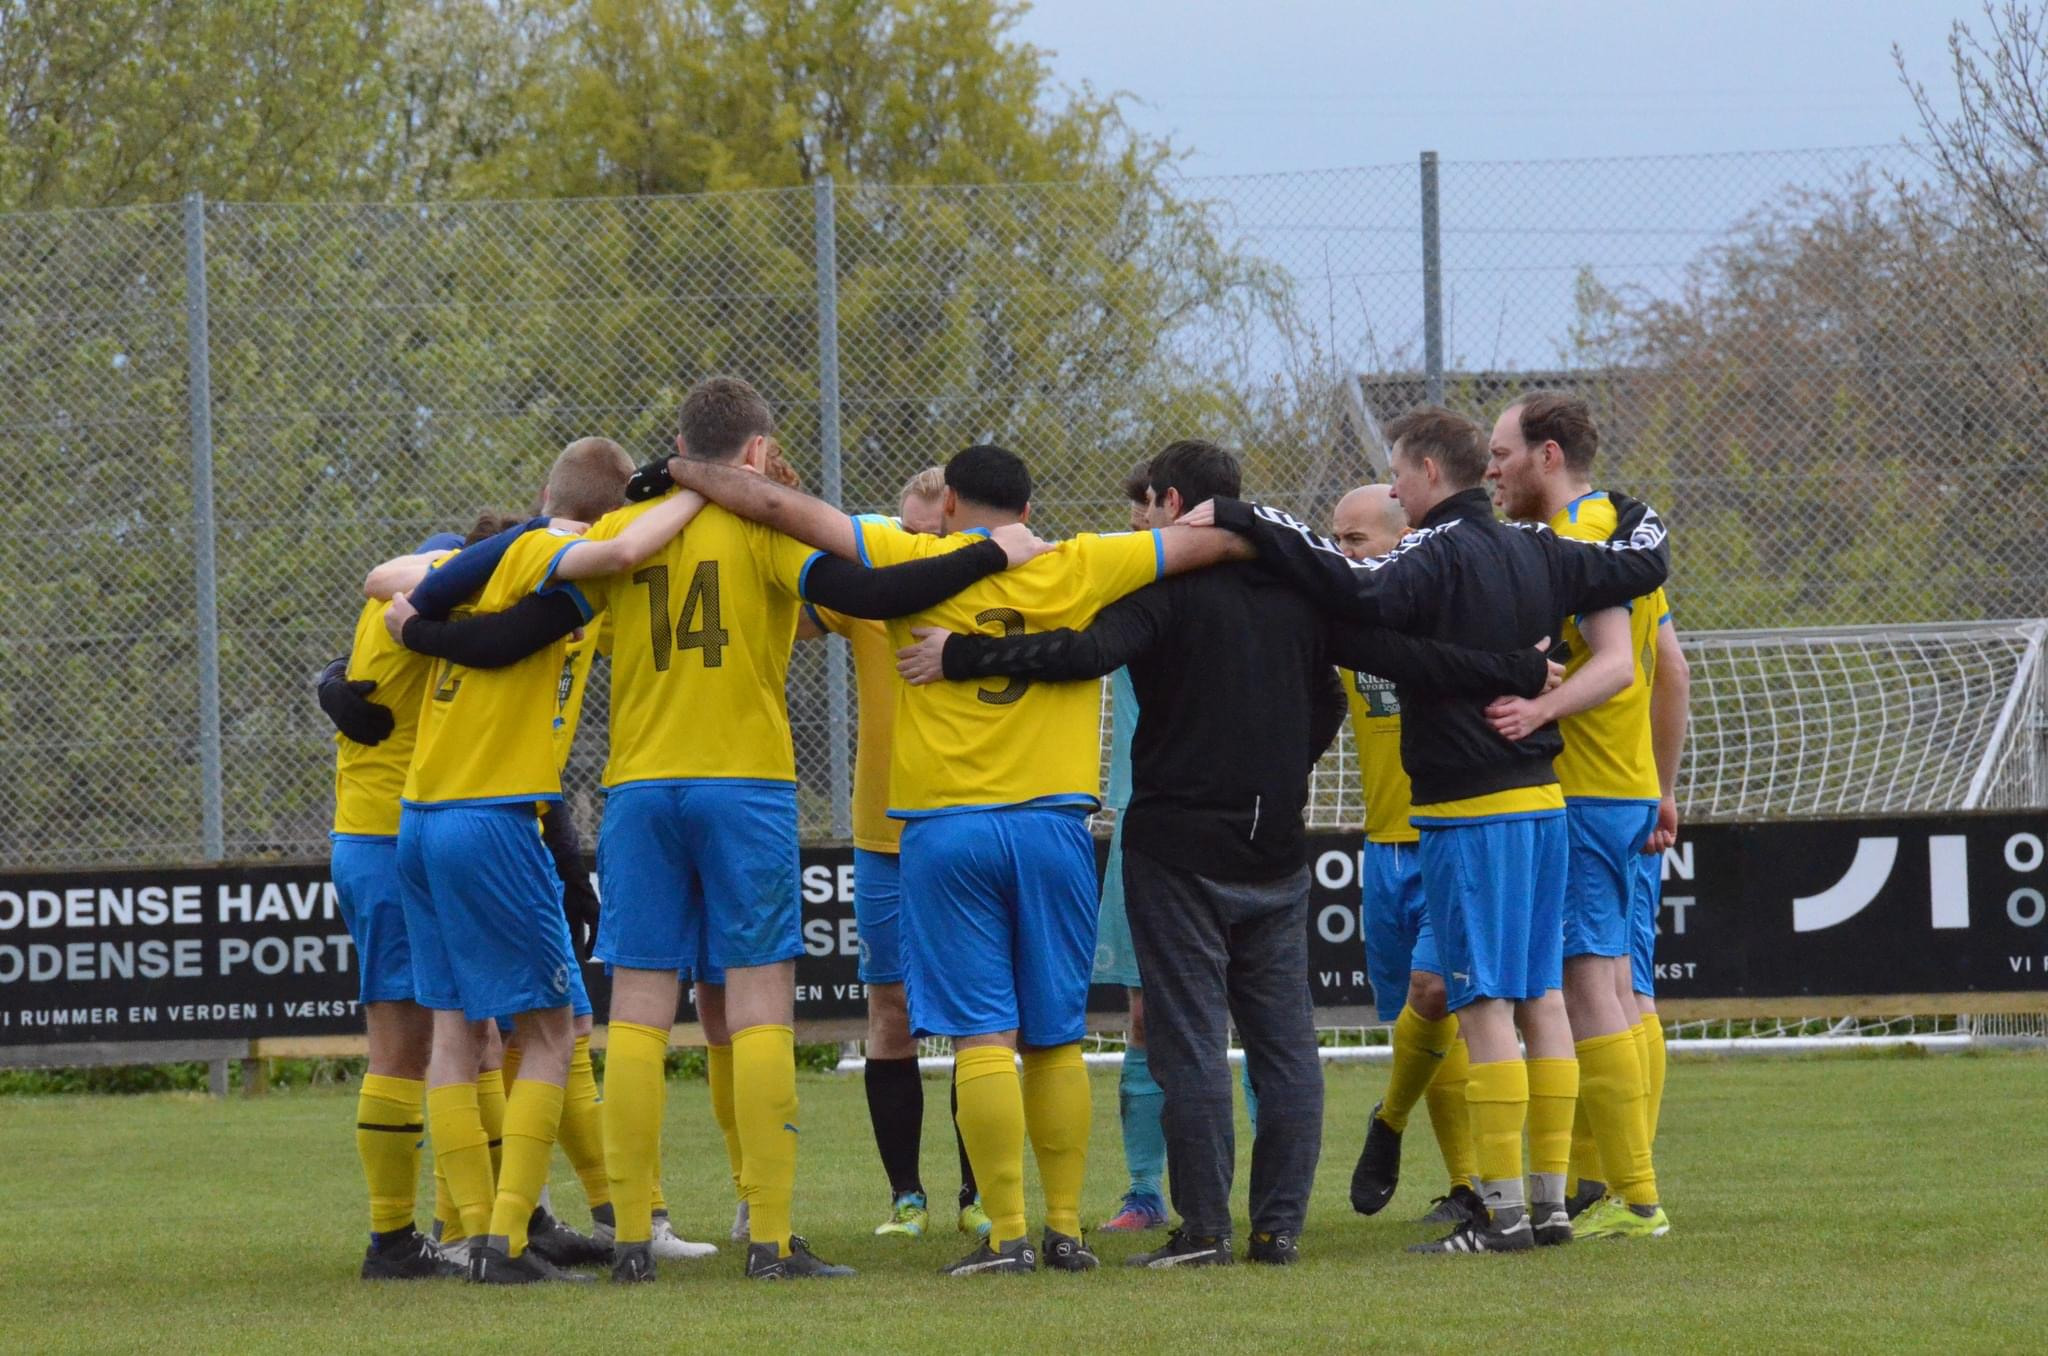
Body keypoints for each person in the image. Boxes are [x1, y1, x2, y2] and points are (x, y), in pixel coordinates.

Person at [899, 441, 1555, 1268]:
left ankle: (1205, 1229)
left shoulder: (1164, 589)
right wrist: (1512, 671)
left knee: (1190, 1043)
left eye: (1150, 506)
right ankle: (1279, 1228)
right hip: (1276, 845)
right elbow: (1384, 668)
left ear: (1173, 503)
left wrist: (963, 654)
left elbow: (1084, 655)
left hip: (1177, 846)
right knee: (1285, 1043)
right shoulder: (1301, 592)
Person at [666, 442, 1250, 1276]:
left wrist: (686, 469)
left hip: (945, 830)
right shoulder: (1081, 564)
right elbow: (1213, 538)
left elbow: (780, 511)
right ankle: (1065, 1231)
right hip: (1053, 825)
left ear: (950, 506)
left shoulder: (913, 557)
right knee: (1054, 1039)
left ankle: (1005, 1234)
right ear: (1027, 504)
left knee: (981, 1037)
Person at [544, 380, 1050, 1283]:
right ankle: (770, 1239)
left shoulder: (625, 532)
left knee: (637, 1011)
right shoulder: (763, 530)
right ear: (755, 455)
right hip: (742, 784)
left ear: (679, 442)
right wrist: (984, 554)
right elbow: (871, 586)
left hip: (639, 786)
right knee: (759, 1001)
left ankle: (629, 1238)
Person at [1188, 406, 1671, 1255]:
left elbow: (1349, 595)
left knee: (1482, 1004)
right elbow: (1638, 568)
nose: (1396, 491)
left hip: (1462, 811)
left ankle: (1503, 1213)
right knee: (1544, 998)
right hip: (1542, 806)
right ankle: (1555, 1205)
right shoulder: (1541, 551)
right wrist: (1636, 518)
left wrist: (1251, 519)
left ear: (1426, 475)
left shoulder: (1431, 551)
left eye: (1399, 475)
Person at [393, 435, 686, 1284]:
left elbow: (408, 603)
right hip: (490, 819)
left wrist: (415, 624)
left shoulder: (502, 552)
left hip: (420, 816)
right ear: (612, 510)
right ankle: (507, 1241)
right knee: (554, 1029)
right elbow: (617, 555)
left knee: (457, 1029)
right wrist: (701, 490)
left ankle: (481, 1229)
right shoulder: (572, 562)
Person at [1484, 390, 1677, 1241]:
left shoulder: (1579, 540)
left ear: (1548, 455)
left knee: (1585, 987)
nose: (1491, 469)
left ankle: (1637, 1198)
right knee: (1630, 991)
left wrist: (1537, 709)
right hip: (1629, 790)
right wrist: (1664, 787)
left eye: (1501, 453)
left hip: (1588, 792)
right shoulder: (1618, 526)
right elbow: (1669, 666)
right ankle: (1612, 1184)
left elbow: (1621, 672)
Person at [793, 464, 989, 1241]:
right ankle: (906, 1197)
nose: (916, 548)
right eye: (902, 536)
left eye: (929, 535)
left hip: (967, 827)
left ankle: (980, 1193)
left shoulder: (988, 595)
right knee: (891, 1012)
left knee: (980, 1018)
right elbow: (788, 606)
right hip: (883, 839)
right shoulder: (869, 603)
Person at [1329, 486, 1484, 1230]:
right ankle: (1465, 1185)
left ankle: (1388, 1122)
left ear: (1404, 540)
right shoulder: (1345, 622)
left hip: (1447, 836)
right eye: (1335, 540)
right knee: (1416, 1022)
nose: (1343, 554)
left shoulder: (1452, 609)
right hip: (1379, 849)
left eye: (1355, 540)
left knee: (1434, 995)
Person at [316, 529, 465, 1280]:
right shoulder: (429, 587)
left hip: (382, 837)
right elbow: (389, 578)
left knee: (456, 1034)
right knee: (407, 1043)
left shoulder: (401, 626)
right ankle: (393, 1240)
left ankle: (460, 1220)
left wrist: (328, 679)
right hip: (386, 840)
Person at [1096, 462, 1170, 1236]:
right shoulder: (1117, 582)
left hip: (1234, 825)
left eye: (1146, 509)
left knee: (1248, 1009)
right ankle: (1144, 1190)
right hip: (1141, 820)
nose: (1139, 525)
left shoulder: (1258, 582)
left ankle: (1268, 1193)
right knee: (1145, 1012)